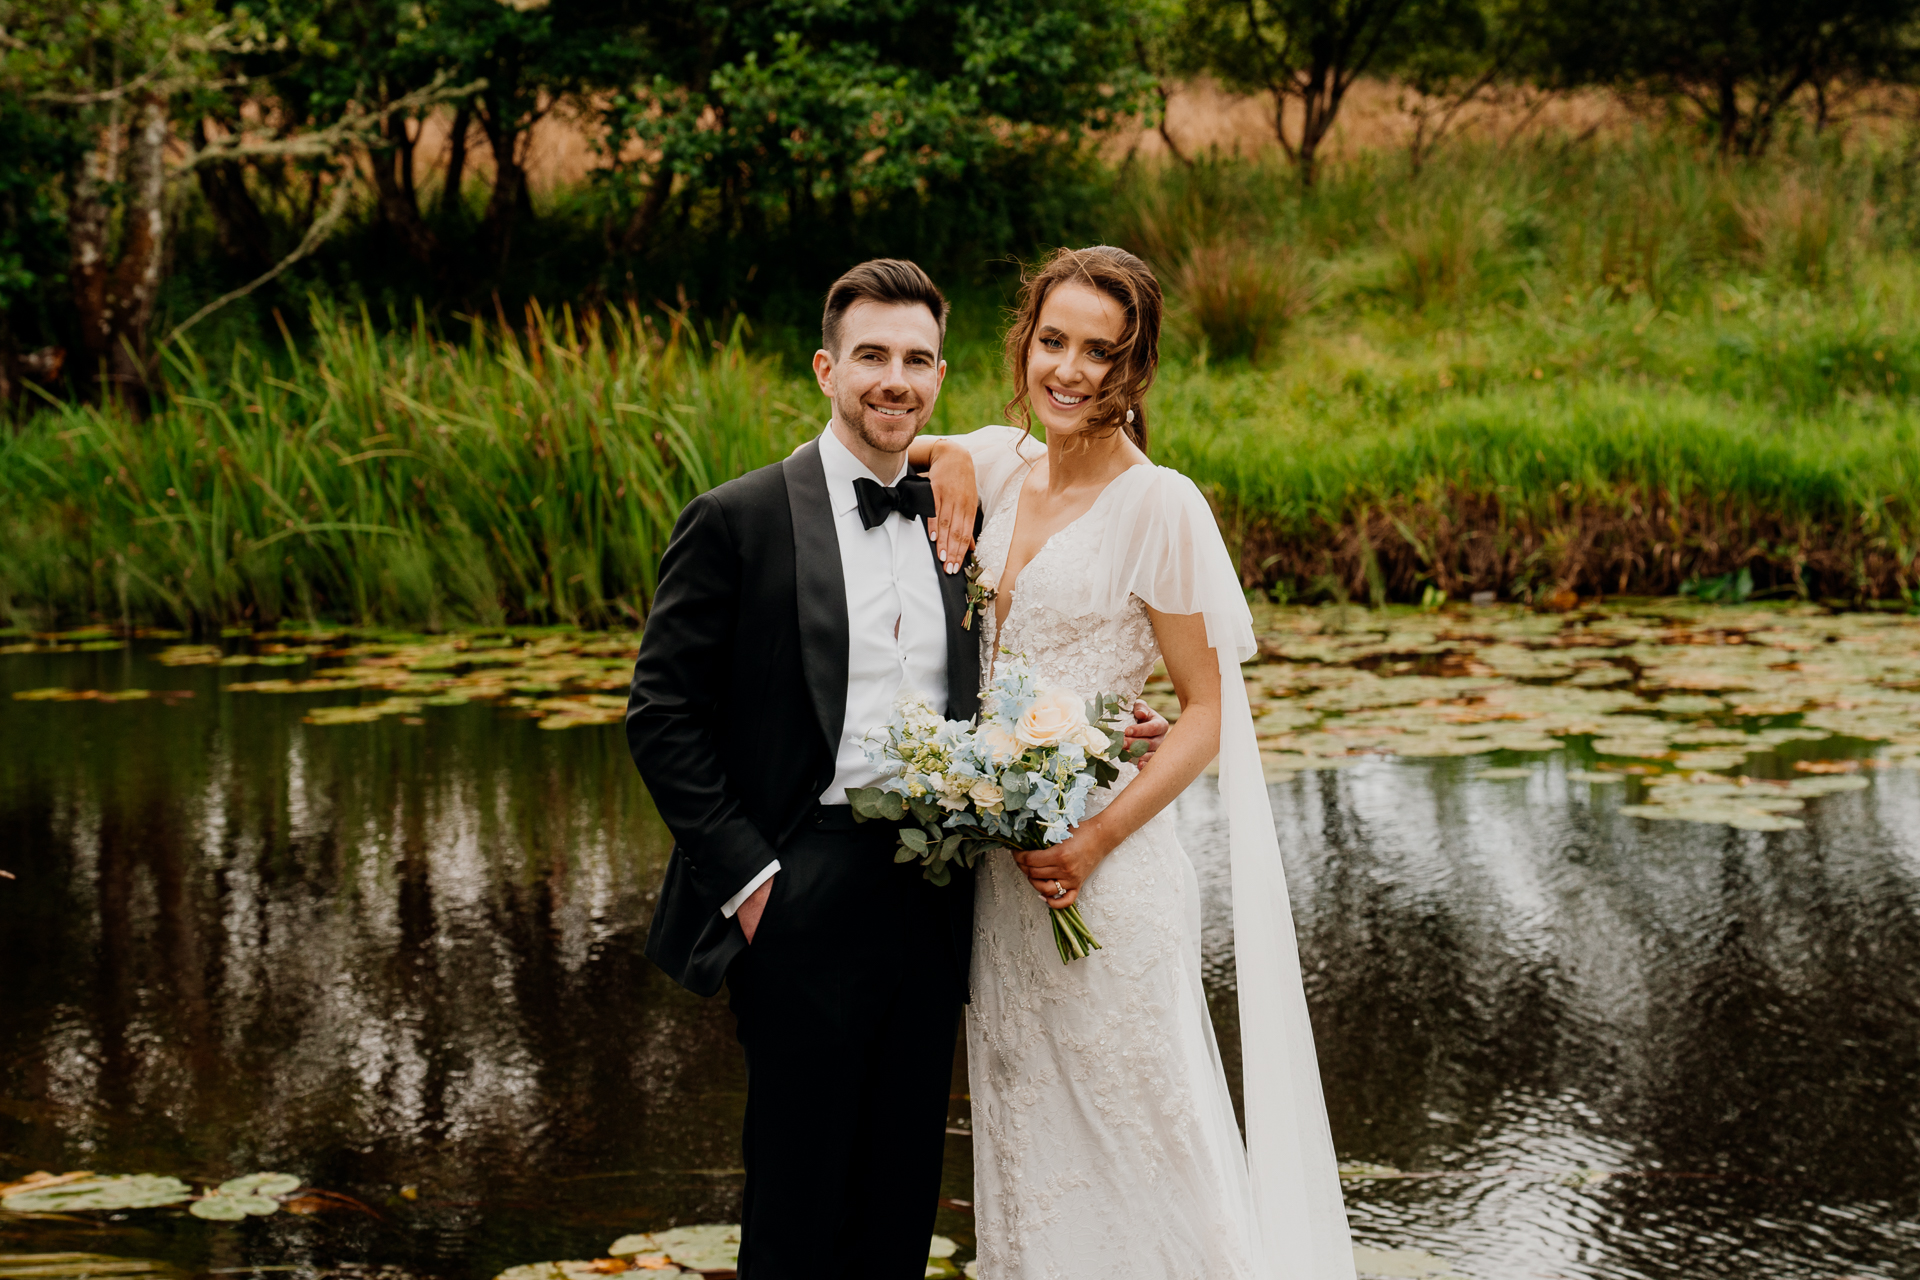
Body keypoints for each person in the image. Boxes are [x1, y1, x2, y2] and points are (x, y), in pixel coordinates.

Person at [623, 259, 1168, 1280]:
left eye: (916, 360)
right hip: (796, 886)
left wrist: (1091, 725)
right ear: (828, 368)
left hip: (935, 894)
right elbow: (661, 718)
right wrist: (750, 883)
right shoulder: (737, 518)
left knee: (899, 1203)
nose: (894, 379)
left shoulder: (957, 516)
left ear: (940, 376)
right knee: (794, 1201)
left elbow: (1008, 671)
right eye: (871, 355)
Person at [931, 247, 1355, 1279]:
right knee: (1029, 1120)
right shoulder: (997, 464)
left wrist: (1090, 840)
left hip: (1107, 872)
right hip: (1006, 874)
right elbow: (909, 441)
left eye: (1100, 352)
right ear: (1025, 340)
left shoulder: (1161, 505)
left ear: (1136, 369)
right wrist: (942, 454)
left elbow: (1206, 713)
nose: (1069, 370)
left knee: (1141, 1128)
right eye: (1053, 341)